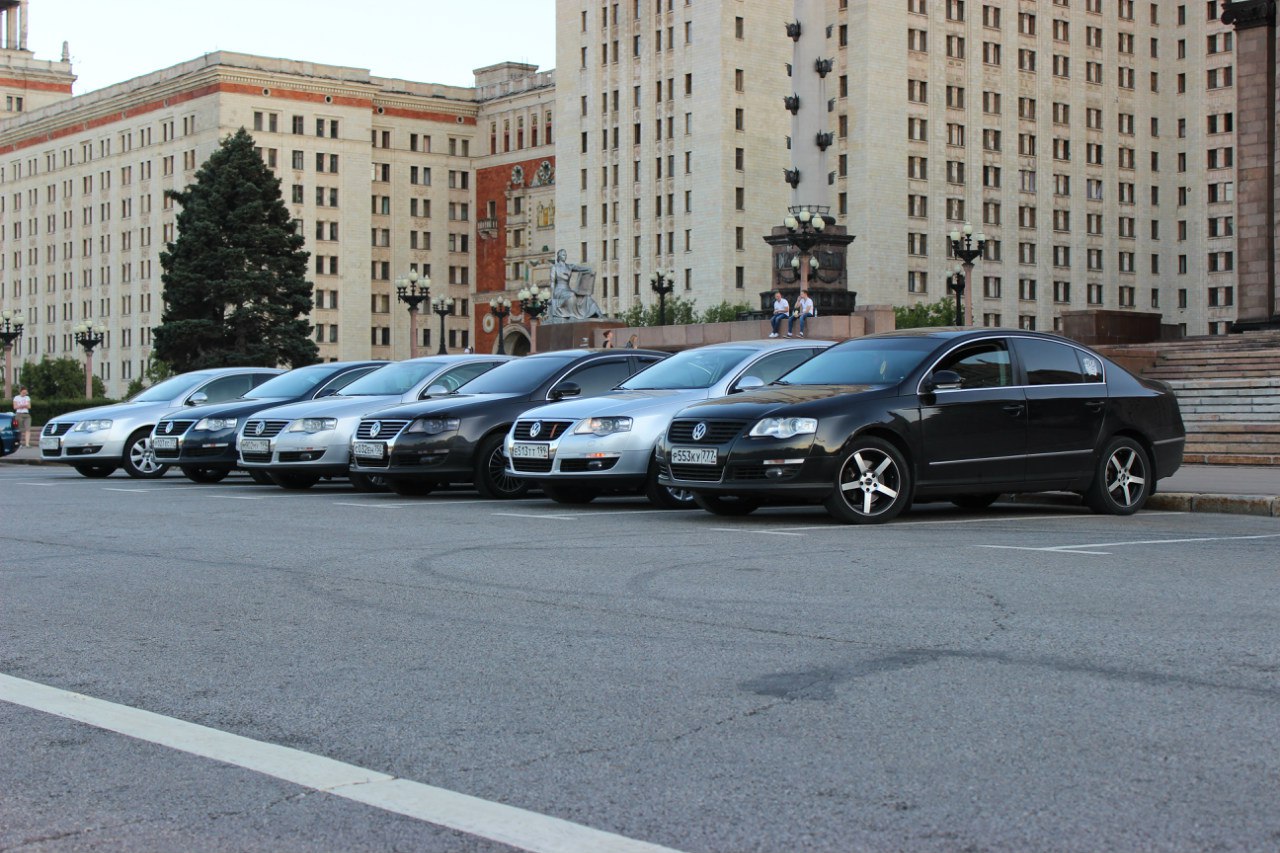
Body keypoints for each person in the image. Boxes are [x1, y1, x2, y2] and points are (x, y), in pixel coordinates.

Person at [549, 249, 605, 321]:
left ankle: (599, 314)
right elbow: (552, 282)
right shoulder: (555, 267)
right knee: (571, 295)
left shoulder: (569, 266)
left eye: (565, 255)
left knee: (586, 297)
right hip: (559, 291)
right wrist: (552, 297)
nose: (565, 256)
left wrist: (589, 269)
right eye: (563, 255)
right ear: (559, 256)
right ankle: (573, 315)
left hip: (567, 289)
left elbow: (579, 268)